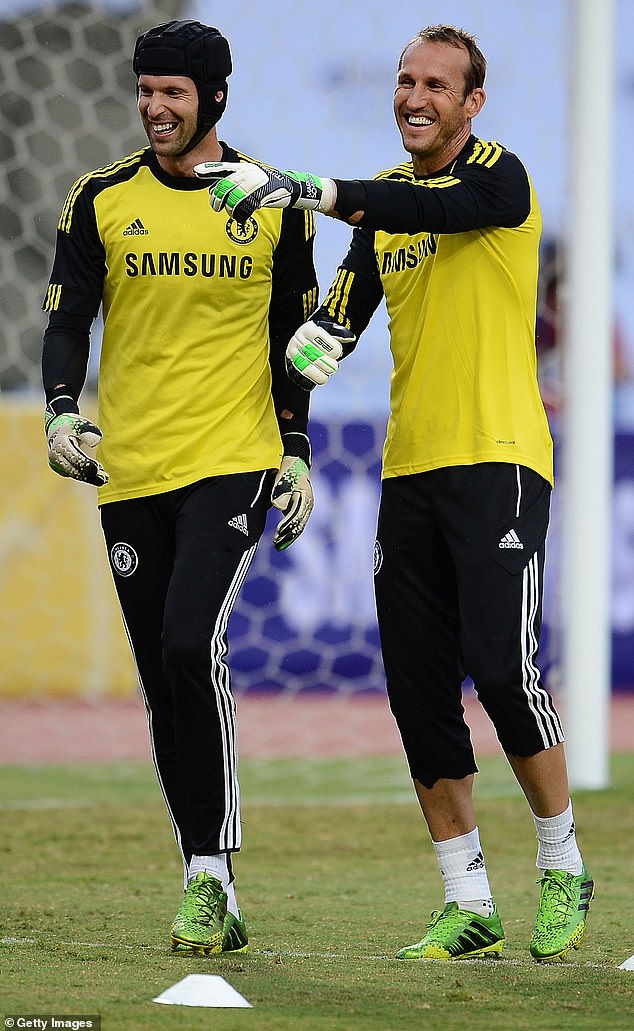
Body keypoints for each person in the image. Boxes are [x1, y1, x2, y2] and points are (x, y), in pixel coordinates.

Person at [196, 24, 594, 963]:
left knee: (502, 672)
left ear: (472, 103)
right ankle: (468, 899)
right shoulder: (384, 215)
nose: (414, 97)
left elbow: (424, 209)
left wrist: (307, 188)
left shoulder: (502, 180)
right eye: (406, 81)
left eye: (436, 86)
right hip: (407, 470)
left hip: (498, 458)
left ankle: (562, 861)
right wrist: (311, 352)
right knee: (416, 690)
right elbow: (340, 317)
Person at [41, 19, 319, 956]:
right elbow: (68, 320)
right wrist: (59, 411)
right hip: (134, 468)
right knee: (163, 679)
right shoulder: (100, 200)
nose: (156, 108)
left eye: (174, 93)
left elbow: (297, 338)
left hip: (232, 460)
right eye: (146, 90)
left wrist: (296, 447)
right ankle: (212, 880)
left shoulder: (273, 202)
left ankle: (208, 873)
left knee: (189, 637)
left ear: (215, 98)